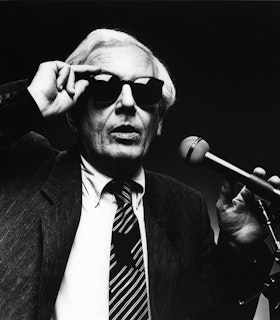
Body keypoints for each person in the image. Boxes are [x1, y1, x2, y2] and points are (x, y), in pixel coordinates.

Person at [0, 28, 277, 320]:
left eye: (145, 91)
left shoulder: (186, 207)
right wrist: (29, 102)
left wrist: (239, 249)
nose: (128, 104)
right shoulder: (25, 167)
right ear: (73, 114)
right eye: (105, 87)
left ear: (158, 121)